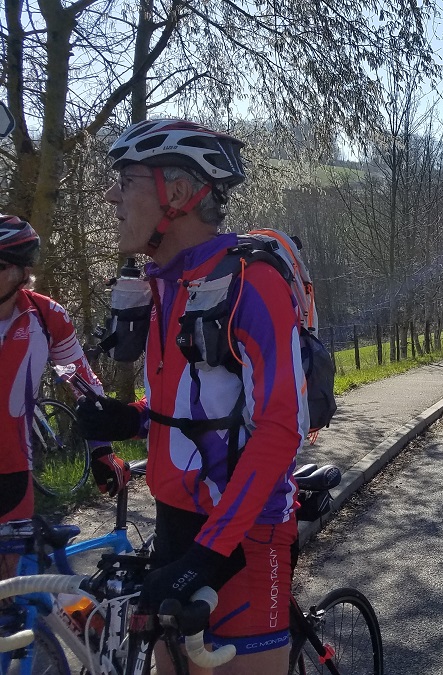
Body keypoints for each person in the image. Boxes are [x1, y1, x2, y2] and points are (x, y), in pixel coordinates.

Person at [76, 119, 307, 674]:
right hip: (176, 524)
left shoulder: (253, 284)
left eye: (125, 179)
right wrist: (129, 420)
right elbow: (194, 413)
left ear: (175, 194)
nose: (111, 195)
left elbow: (280, 430)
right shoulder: (164, 283)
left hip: (245, 536)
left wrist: (211, 552)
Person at [0, 214, 129, 536]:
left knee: (14, 581)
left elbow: (79, 378)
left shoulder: (46, 316)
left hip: (12, 473)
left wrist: (101, 448)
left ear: (23, 271)